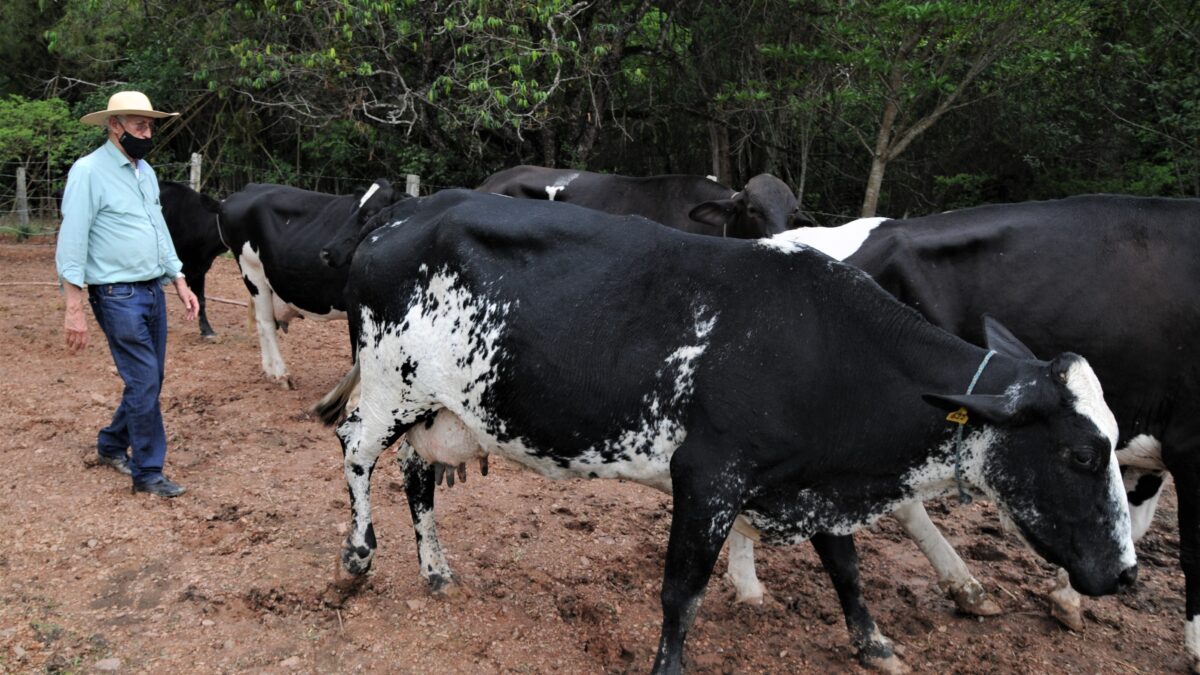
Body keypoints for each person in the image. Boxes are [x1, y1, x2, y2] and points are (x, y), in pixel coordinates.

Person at [55, 91, 200, 498]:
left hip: (151, 290)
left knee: (150, 378)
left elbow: (158, 229)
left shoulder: (145, 172)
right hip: (116, 294)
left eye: (150, 125)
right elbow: (72, 239)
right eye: (139, 125)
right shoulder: (88, 172)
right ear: (114, 126)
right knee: (143, 380)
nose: (147, 132)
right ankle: (149, 472)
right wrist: (74, 306)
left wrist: (179, 279)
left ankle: (111, 444)